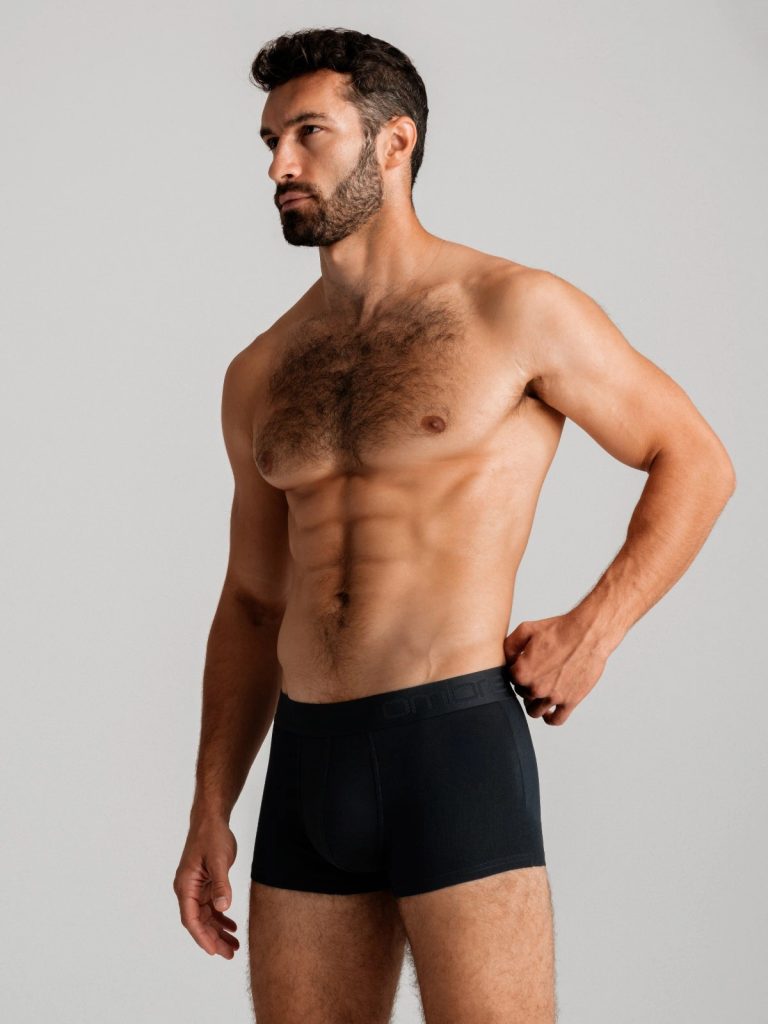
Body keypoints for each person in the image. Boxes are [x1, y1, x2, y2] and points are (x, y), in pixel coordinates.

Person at [172, 27, 736, 1024]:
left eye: (308, 133)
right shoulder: (260, 371)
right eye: (270, 141)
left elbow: (695, 459)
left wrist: (593, 630)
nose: (279, 166)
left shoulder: (513, 309)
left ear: (395, 141)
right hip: (307, 766)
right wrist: (211, 802)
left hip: (452, 749)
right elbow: (254, 600)